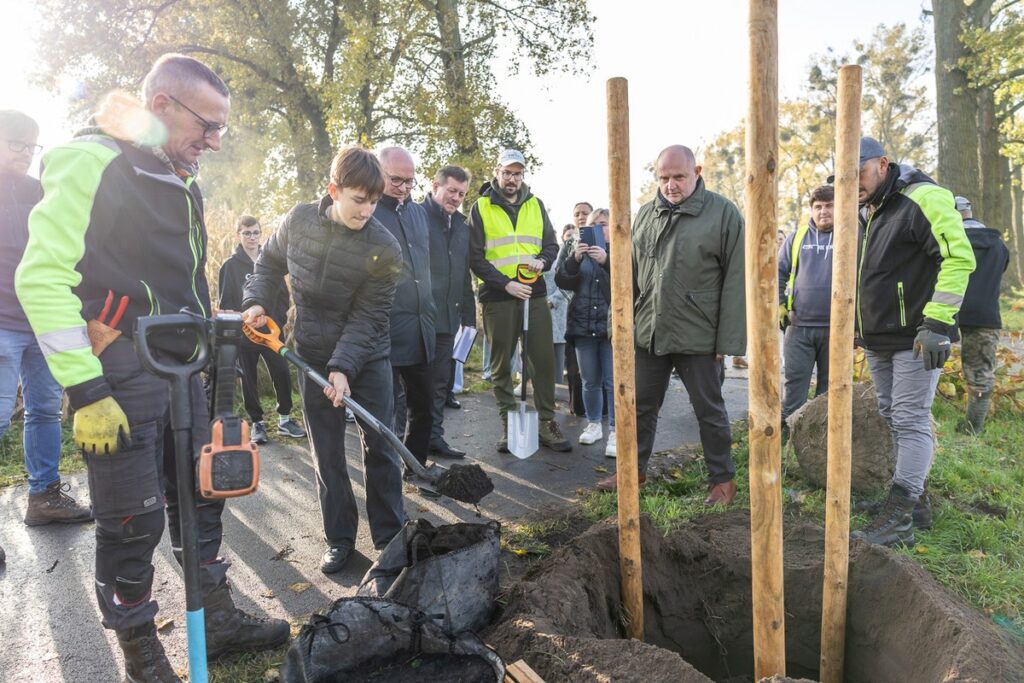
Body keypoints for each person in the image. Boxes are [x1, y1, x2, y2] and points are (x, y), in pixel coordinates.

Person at [16, 55, 288, 680]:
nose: (215, 142)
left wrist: (214, 316)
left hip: (182, 366)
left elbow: (167, 279)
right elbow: (42, 278)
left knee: (204, 493)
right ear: (162, 106)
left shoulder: (177, 174)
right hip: (118, 373)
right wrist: (86, 391)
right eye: (208, 126)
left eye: (221, 130)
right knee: (133, 520)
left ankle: (213, 617)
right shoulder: (92, 161)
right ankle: (140, 650)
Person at [243, 146, 406, 574]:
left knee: (380, 444)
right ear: (333, 190)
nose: (367, 210)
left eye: (374, 201)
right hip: (311, 353)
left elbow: (370, 315)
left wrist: (345, 367)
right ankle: (339, 539)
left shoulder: (384, 247)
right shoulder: (297, 221)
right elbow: (268, 263)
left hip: (367, 358)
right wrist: (258, 301)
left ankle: (390, 537)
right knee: (327, 450)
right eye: (358, 199)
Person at [598, 145, 745, 505]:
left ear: (696, 171)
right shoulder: (646, 215)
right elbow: (627, 277)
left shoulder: (723, 214)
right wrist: (617, 327)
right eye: (663, 178)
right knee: (640, 405)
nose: (671, 185)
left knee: (708, 409)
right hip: (649, 331)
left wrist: (728, 339)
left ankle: (723, 481)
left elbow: (737, 279)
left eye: (678, 177)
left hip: (700, 334)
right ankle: (633, 472)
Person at [846, 137, 975, 547]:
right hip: (880, 337)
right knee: (890, 413)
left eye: (858, 173)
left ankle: (899, 517)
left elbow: (957, 257)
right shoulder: (869, 210)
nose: (852, 184)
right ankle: (913, 502)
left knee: (909, 418)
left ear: (882, 164)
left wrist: (938, 321)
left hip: (918, 337)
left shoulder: (924, 198)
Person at [1, 110, 92, 544]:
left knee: (44, 411)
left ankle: (44, 497)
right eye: (15, 143)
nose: (24, 153)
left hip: (43, 323)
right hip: (1, 323)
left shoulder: (40, 191)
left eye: (31, 145)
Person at [469, 149, 570, 452]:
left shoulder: (536, 205)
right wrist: (505, 284)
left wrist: (542, 260)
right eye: (507, 172)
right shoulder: (481, 207)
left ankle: (545, 423)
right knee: (502, 363)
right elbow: (474, 257)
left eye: (518, 173)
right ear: (497, 171)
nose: (512, 179)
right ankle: (507, 422)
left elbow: (552, 246)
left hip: (533, 294)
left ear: (523, 175)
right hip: (498, 297)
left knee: (543, 361)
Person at [373, 147, 437, 470]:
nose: (404, 188)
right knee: (385, 412)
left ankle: (416, 467)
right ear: (379, 174)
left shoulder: (418, 213)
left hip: (420, 327)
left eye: (410, 182)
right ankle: (386, 474)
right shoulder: (369, 212)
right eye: (396, 180)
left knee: (424, 405)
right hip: (384, 329)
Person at [217, 214, 305, 444]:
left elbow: (283, 297)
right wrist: (242, 325)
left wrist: (272, 320)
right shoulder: (230, 266)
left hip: (270, 331)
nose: (252, 237)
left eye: (255, 232)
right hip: (245, 334)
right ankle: (257, 423)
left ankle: (285, 419)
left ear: (260, 233)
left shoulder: (270, 263)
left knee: (282, 372)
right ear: (239, 235)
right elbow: (226, 303)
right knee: (248, 379)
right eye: (247, 233)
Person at [421, 164, 475, 459]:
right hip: (417, 318)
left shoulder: (463, 227)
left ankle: (434, 438)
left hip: (448, 319)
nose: (455, 198)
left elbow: (464, 274)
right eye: (451, 190)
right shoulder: (416, 217)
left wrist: (469, 317)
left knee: (440, 381)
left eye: (461, 194)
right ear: (435, 186)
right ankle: (406, 444)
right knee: (414, 384)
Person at [556, 207, 616, 456]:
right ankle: (594, 424)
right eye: (593, 225)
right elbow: (562, 281)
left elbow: (631, 281)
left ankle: (615, 429)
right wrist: (575, 260)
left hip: (611, 326)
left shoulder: (621, 248)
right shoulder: (575, 250)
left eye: (603, 224)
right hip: (582, 325)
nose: (598, 229)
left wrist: (606, 261)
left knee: (613, 382)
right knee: (589, 380)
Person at [778, 185, 835, 431]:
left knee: (830, 390)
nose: (823, 211)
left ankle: (821, 442)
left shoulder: (852, 235)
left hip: (836, 329)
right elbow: (778, 272)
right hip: (799, 326)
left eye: (829, 205)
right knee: (794, 385)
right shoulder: (797, 237)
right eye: (818, 207)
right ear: (811, 210)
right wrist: (779, 304)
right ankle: (790, 439)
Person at [954, 195, 1009, 434]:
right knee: (980, 374)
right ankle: (972, 428)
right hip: (984, 314)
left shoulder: (947, 239)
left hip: (944, 310)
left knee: (923, 365)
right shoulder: (998, 245)